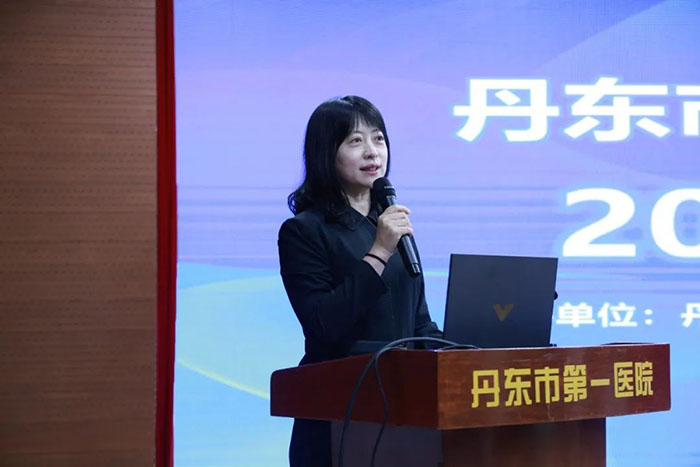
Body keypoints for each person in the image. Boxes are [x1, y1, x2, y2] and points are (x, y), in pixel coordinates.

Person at [278, 95, 442, 466]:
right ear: (326, 153)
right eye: (356, 141)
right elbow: (324, 324)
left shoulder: (391, 223)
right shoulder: (304, 231)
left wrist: (465, 353)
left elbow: (419, 324)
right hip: (339, 410)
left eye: (378, 139)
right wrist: (380, 251)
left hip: (404, 409)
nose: (372, 151)